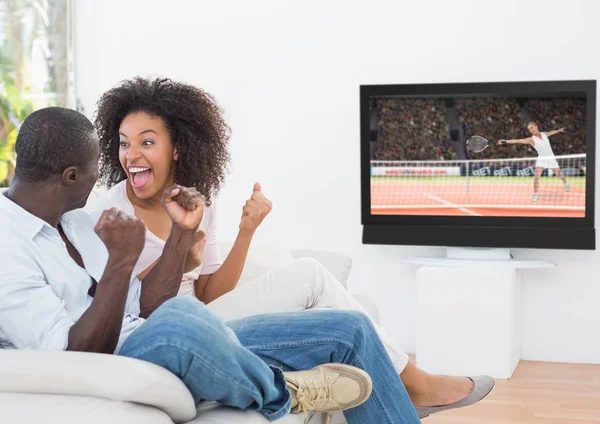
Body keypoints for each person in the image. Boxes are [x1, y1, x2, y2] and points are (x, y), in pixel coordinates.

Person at [92, 76, 495, 419]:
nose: (131, 155)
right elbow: (124, 305)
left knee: (311, 274)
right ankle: (414, 383)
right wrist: (178, 255)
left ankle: (410, 381)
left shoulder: (197, 202)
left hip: (206, 314)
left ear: (177, 148)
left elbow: (210, 294)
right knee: (342, 322)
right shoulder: (108, 212)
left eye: (147, 142)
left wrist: (246, 231)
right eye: (124, 143)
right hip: (171, 333)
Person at [0, 106, 424, 423]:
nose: (106, 176)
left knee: (348, 326)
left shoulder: (72, 222)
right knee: (182, 316)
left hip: (156, 334)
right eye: (97, 167)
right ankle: (282, 391)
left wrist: (181, 235)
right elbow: (71, 354)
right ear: (71, 176)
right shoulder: (7, 246)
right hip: (119, 356)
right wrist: (118, 265)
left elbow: (144, 305)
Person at [498, 122, 570, 202]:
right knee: (536, 178)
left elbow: (551, 133)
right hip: (541, 160)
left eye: (531, 127)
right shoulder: (531, 139)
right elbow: (518, 140)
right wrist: (505, 142)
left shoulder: (544, 134)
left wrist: (558, 131)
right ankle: (535, 194)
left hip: (551, 159)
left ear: (536, 126)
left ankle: (566, 183)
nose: (530, 130)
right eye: (529, 129)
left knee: (559, 175)